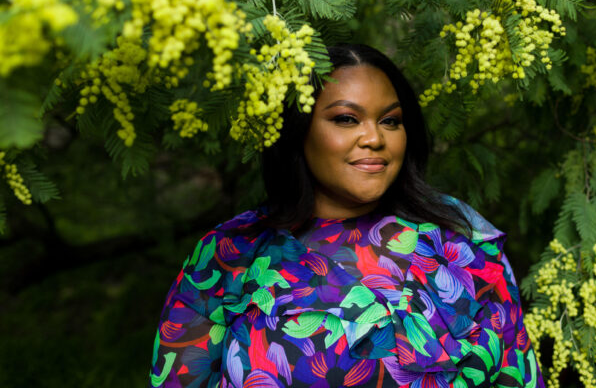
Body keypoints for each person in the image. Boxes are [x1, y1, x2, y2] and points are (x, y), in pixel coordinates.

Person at [148, 44, 544, 388]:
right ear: (299, 130)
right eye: (346, 119)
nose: (374, 138)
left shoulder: (461, 245)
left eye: (390, 121)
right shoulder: (230, 254)